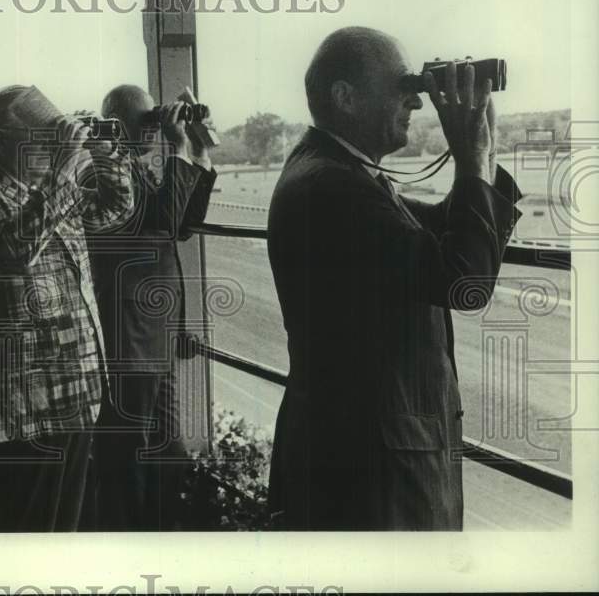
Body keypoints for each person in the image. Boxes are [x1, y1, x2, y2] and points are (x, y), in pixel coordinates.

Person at [265, 26, 522, 530]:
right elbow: (463, 279)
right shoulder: (332, 187)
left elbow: (440, 230)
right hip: (373, 479)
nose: (417, 102)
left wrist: (482, 146)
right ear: (346, 97)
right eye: (403, 86)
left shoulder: (334, 170)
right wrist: (468, 157)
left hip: (357, 459)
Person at [0, 85, 133, 532]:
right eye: (46, 135)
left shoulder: (49, 191)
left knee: (61, 533)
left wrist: (105, 155)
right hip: (23, 402)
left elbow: (116, 210)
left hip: (74, 391)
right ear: (5, 140)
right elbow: (14, 248)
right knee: (28, 532)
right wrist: (67, 167)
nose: (56, 147)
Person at [86, 85, 217, 531]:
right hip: (132, 334)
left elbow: (180, 226)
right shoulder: (103, 172)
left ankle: (156, 536)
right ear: (115, 122)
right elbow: (163, 221)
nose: (150, 129)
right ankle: (125, 540)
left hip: (155, 335)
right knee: (129, 452)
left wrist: (198, 153)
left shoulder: (135, 169)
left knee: (168, 450)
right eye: (142, 121)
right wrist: (176, 146)